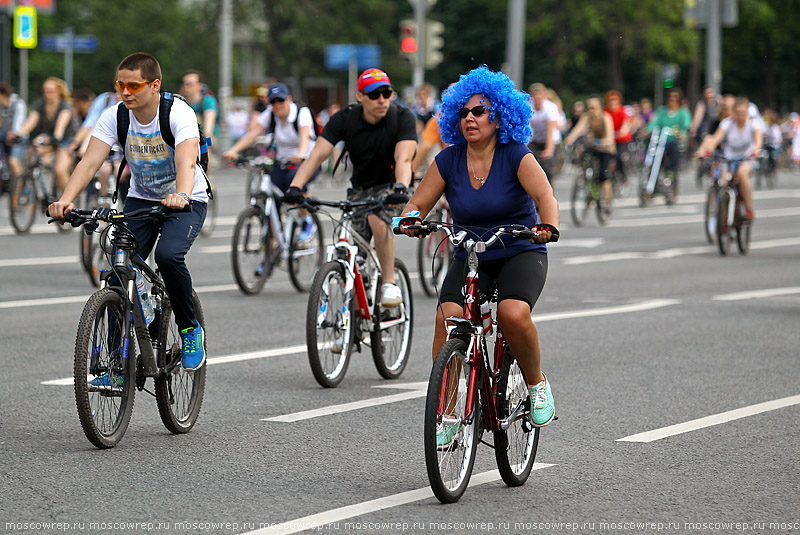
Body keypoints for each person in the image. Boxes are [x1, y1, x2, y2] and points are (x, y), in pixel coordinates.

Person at [397, 66, 559, 429]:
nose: (470, 119)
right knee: (447, 317)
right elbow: (417, 204)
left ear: (499, 117)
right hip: (471, 254)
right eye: (463, 112)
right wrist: (409, 219)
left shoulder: (516, 155)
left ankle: (536, 383)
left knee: (512, 315)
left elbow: (544, 195)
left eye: (479, 112)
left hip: (520, 250)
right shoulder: (449, 160)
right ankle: (450, 410)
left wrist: (547, 226)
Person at [48, 52, 208, 377]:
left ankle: (190, 329)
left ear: (155, 85)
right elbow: (89, 162)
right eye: (120, 84)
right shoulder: (116, 116)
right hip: (140, 199)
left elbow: (187, 160)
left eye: (134, 85)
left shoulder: (178, 113)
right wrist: (64, 200)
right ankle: (116, 364)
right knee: (120, 273)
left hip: (186, 199)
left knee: (167, 256)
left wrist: (181, 194)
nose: (126, 91)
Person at [284, 68, 417, 307]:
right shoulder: (345, 118)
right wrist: (295, 187)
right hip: (360, 189)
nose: (382, 100)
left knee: (378, 221)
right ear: (360, 96)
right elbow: (316, 156)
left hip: (391, 187)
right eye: (375, 94)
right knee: (352, 250)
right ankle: (352, 318)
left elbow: (403, 159)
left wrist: (400, 188)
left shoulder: (402, 117)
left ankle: (389, 282)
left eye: (387, 93)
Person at [223, 82, 320, 241]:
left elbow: (304, 136)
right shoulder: (270, 114)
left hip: (307, 161)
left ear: (289, 99)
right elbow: (253, 134)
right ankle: (271, 252)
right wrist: (234, 150)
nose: (277, 105)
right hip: (282, 162)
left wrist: (301, 154)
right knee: (271, 199)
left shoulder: (301, 113)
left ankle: (307, 221)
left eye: (280, 101)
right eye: (273, 101)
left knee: (294, 183)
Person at [695, 97, 762, 220]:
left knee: (742, 174)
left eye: (743, 113)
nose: (741, 116)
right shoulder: (727, 123)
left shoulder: (753, 123)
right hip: (729, 158)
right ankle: (723, 219)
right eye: (738, 113)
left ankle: (748, 208)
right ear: (734, 113)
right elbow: (715, 138)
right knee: (723, 182)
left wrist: (755, 150)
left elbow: (758, 141)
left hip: (746, 158)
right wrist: (708, 151)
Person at [16, 77, 79, 193]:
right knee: (34, 146)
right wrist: (19, 134)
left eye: (50, 91)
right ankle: (34, 178)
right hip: (49, 135)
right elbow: (31, 121)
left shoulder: (65, 106)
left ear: (58, 91)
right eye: (45, 90)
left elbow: (61, 123)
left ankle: (69, 199)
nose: (47, 94)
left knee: (60, 170)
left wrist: (57, 137)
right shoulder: (41, 104)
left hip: (66, 138)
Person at [565, 96, 616, 212]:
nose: (591, 110)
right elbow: (579, 128)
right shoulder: (587, 117)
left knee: (603, 174)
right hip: (594, 146)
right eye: (589, 108)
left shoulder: (605, 117)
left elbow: (609, 135)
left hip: (606, 148)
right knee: (583, 157)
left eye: (593, 108)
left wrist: (604, 141)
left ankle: (607, 200)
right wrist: (570, 139)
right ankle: (586, 178)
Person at [648, 88, 691, 189]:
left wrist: (682, 133)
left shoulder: (683, 112)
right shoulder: (661, 111)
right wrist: (648, 130)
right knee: (654, 153)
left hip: (674, 140)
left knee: (674, 150)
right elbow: (654, 122)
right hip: (661, 140)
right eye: (670, 97)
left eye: (675, 97)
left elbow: (685, 126)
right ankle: (653, 177)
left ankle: (671, 173)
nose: (672, 99)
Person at [181, 70, 218, 170]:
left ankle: (206, 177)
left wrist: (204, 140)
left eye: (190, 84)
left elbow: (208, 126)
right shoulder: (180, 102)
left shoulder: (208, 101)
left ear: (199, 86)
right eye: (184, 83)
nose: (186, 86)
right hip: (185, 134)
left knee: (205, 147)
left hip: (205, 135)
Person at [527, 82, 560, 182]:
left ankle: (550, 192)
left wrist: (549, 151)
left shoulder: (550, 107)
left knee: (547, 170)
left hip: (549, 140)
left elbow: (551, 131)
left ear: (544, 95)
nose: (537, 98)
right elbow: (527, 128)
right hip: (535, 139)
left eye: (540, 95)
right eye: (535, 95)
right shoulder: (528, 106)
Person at [0, 83, 28, 188]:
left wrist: (15, 133)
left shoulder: (18, 103)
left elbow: (19, 120)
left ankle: (20, 190)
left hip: (18, 136)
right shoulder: (1, 106)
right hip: (4, 135)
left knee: (13, 161)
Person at [604, 90, 633, 181]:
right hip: (609, 139)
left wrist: (623, 129)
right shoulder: (605, 111)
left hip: (622, 139)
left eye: (615, 99)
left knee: (619, 156)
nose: (613, 102)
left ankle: (622, 175)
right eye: (611, 100)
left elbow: (626, 122)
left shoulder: (622, 110)